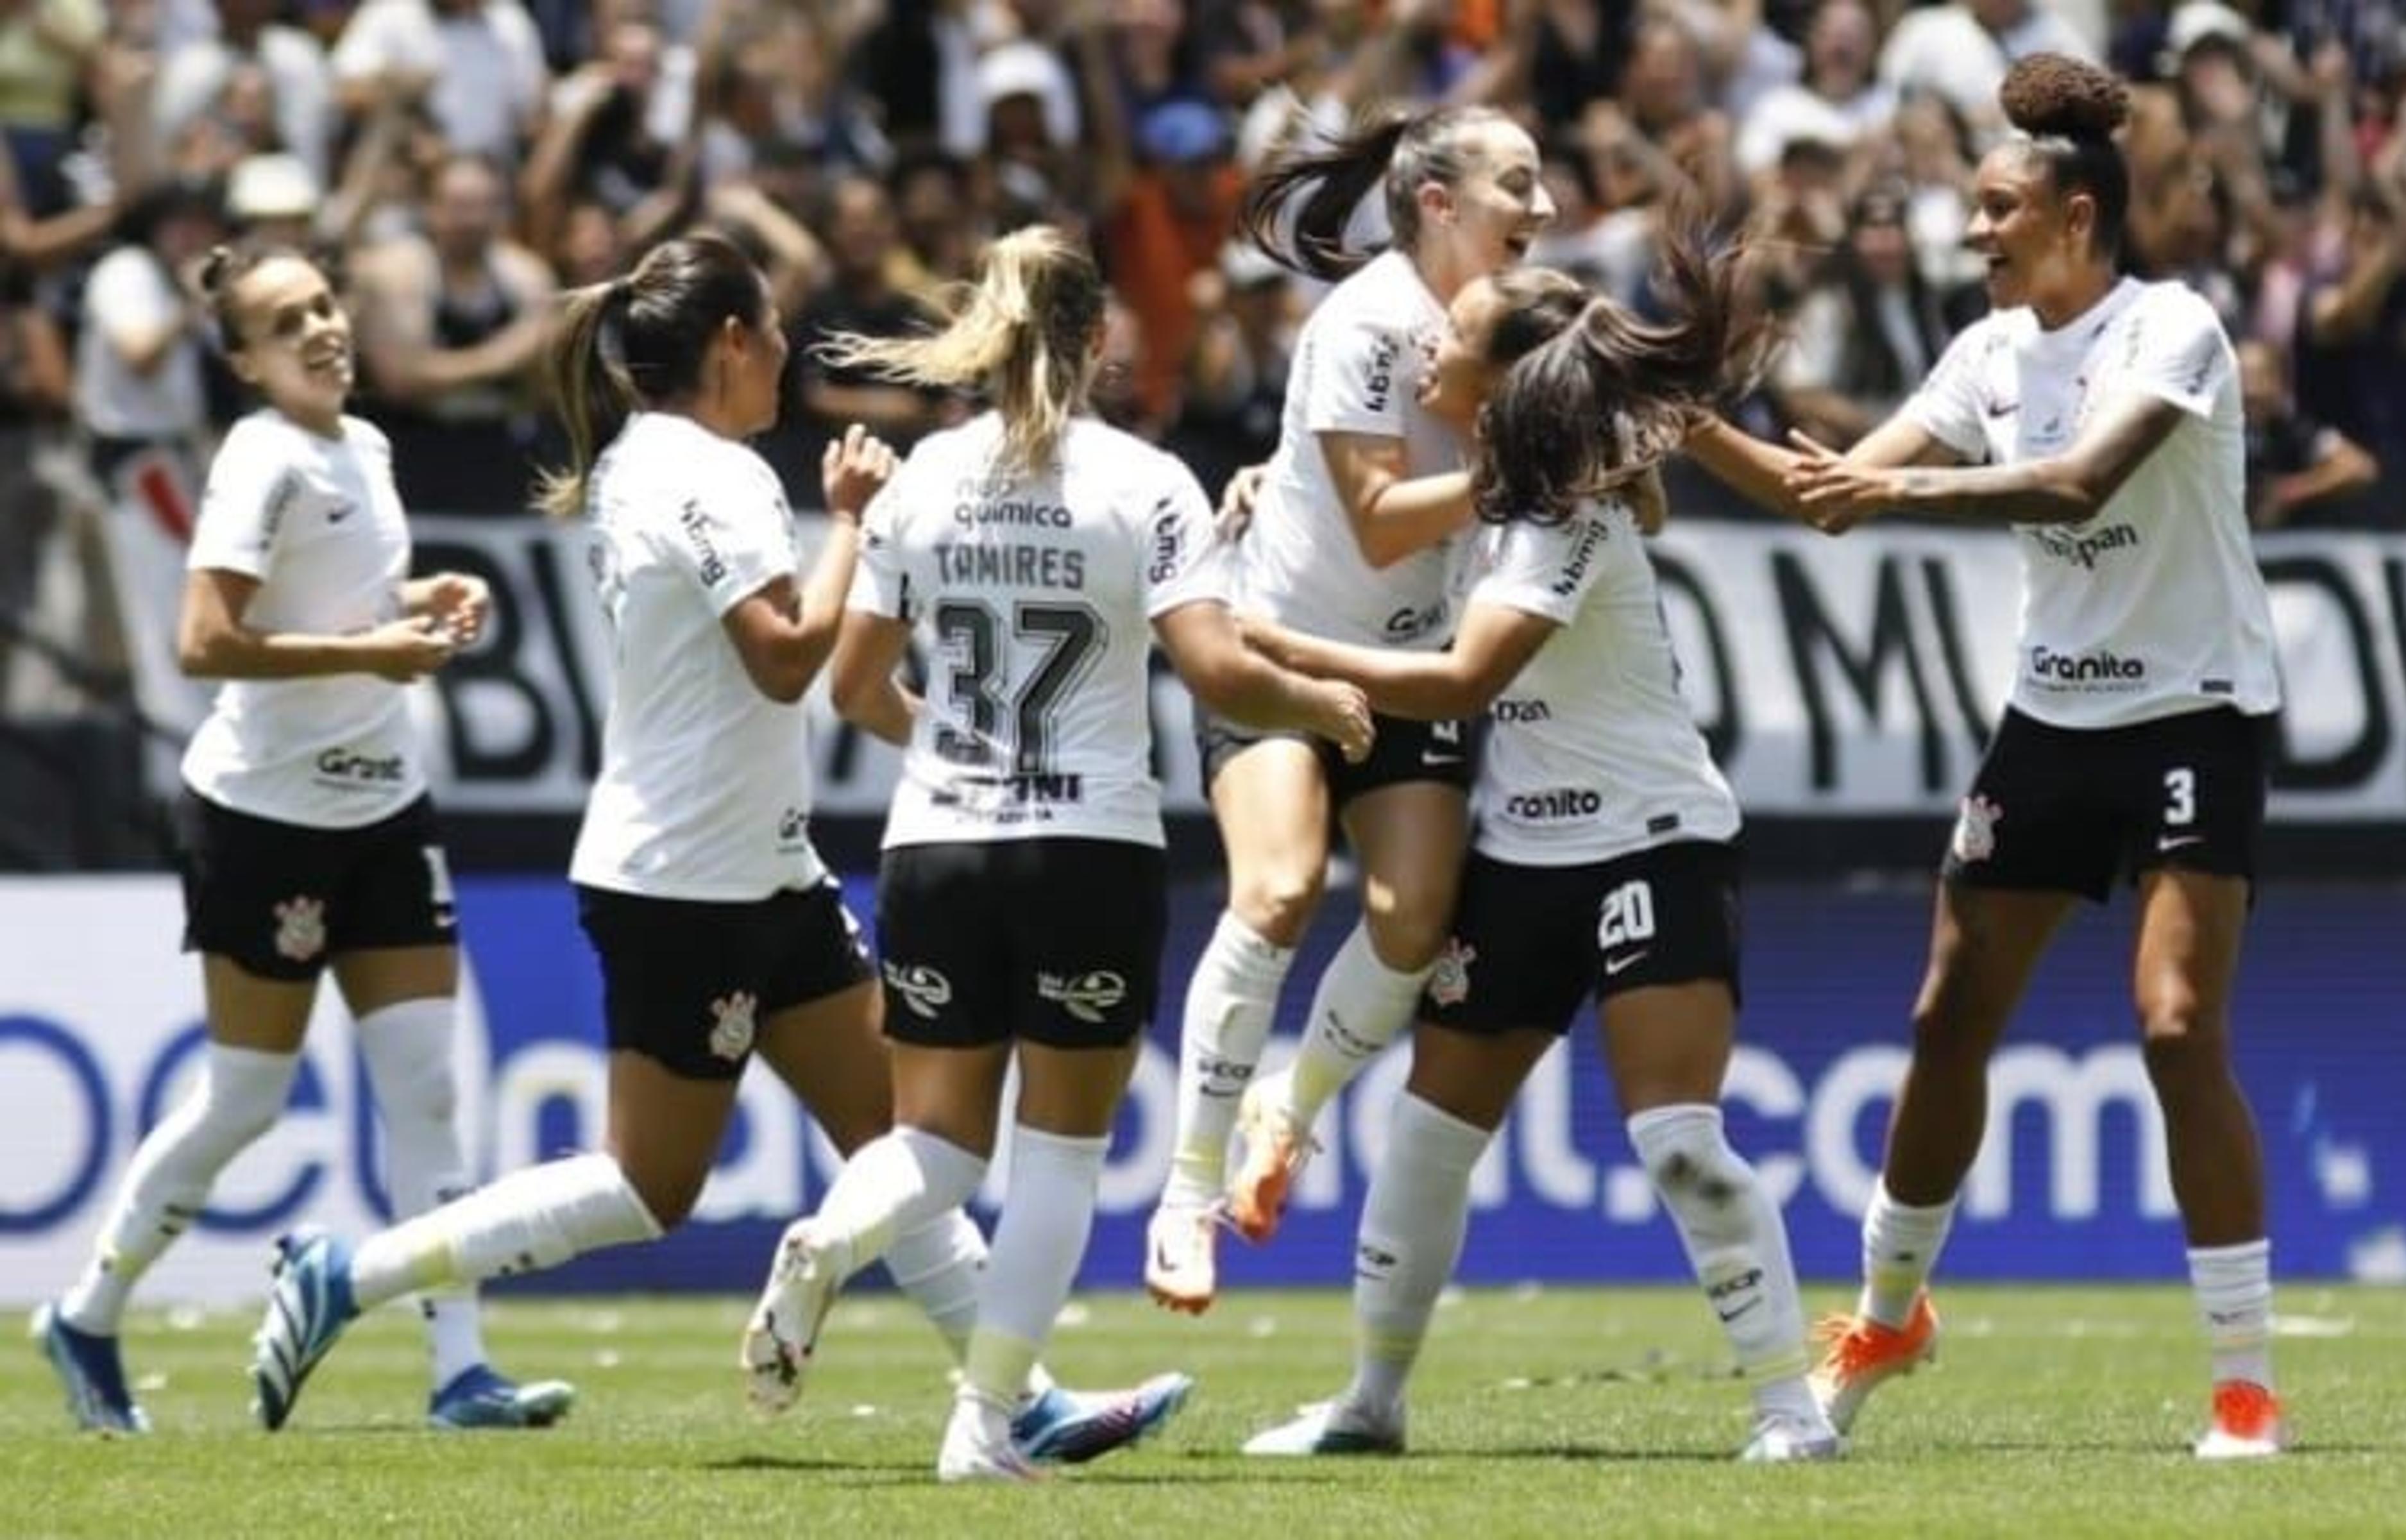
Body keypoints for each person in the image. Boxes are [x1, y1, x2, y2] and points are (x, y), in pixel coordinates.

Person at [246, 233, 1195, 1465]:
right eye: (778, 331)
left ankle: (1014, 1397)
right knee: (649, 1187)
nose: (791, 353)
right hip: (683, 879)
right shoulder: (705, 474)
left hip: (764, 865)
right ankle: (349, 1272)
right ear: (732, 343)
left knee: (902, 1143)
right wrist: (851, 521)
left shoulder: (674, 463)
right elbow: (788, 655)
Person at [1690, 54, 2287, 1459]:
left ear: (2076, 217)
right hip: (2052, 724)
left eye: (1997, 207)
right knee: (1949, 1014)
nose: (1973, 232)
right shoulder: (1986, 354)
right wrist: (1672, 414)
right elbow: (1830, 498)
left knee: (2176, 1026)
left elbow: (2078, 481)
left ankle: (2246, 1382)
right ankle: (1889, 1312)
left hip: (2195, 713)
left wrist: (1894, 480)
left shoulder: (2175, 328)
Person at [733, 224, 1373, 1482]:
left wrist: (954, 749)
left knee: (936, 1147)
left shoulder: (921, 479)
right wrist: (1323, 710)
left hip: (939, 846)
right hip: (1086, 847)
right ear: (1097, 341)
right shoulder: (1146, 481)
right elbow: (1215, 667)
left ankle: (827, 1239)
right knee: (1061, 1159)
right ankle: (981, 1429)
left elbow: (857, 689)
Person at [1233, 251, 1839, 1464]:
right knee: (1422, 1139)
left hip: (1651, 847)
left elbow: (1465, 679)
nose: (1426, 351)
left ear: (1513, 376)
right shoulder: (1484, 492)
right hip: (1521, 862)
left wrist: (1273, 643)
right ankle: (1371, 1402)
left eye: (1452, 335)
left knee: (1677, 1140)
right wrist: (1273, 485)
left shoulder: (1569, 511)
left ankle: (1790, 1408)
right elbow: (1367, 520)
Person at [35, 240, 570, 1434]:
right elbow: (203, 640)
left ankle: (460, 1372)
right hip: (265, 814)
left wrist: (419, 601)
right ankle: (89, 1309)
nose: (323, 330)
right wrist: (374, 651)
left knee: (429, 1086)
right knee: (245, 1099)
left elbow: (338, 599)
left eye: (326, 305)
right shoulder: (258, 458)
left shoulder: (362, 445)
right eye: (288, 324)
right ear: (244, 361)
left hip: (384, 801)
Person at [1145, 103, 1556, 1316]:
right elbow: (1377, 518)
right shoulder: (1368, 322)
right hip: (1277, 648)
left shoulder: (1517, 326)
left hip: (1405, 662)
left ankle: (1291, 1108)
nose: (1542, 209)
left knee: (1414, 919)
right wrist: (1514, 469)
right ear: (1439, 203)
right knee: (1274, 891)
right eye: (1518, 185)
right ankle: (1183, 1194)